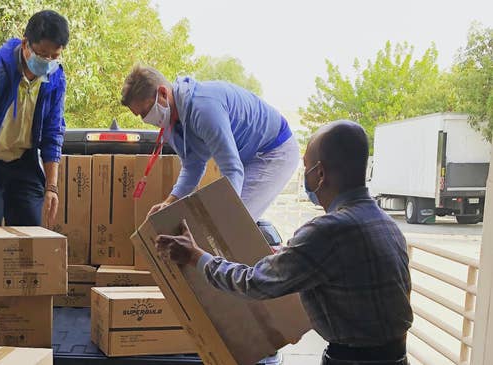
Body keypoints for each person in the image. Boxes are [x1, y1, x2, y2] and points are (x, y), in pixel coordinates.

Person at [155, 121, 413, 365]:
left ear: (320, 173)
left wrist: (194, 256)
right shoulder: (387, 226)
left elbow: (253, 283)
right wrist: (287, 258)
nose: (306, 179)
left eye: (307, 167)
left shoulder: (326, 232)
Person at [121, 65, 299, 220]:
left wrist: (222, 218)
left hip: (274, 150)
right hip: (246, 155)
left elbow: (232, 169)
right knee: (224, 226)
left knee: (233, 225)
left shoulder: (204, 110)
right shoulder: (173, 124)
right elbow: (192, 167)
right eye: (140, 115)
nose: (145, 119)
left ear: (162, 93)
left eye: (145, 111)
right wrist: (169, 202)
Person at [0, 9, 69, 229]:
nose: (48, 62)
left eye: (54, 56)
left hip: (23, 160)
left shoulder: (55, 78)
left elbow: (53, 133)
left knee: (31, 227)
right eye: (42, 54)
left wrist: (51, 187)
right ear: (26, 43)